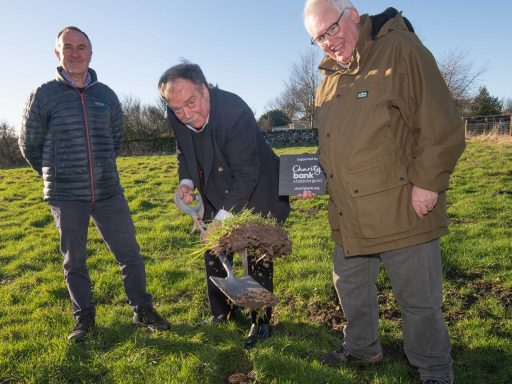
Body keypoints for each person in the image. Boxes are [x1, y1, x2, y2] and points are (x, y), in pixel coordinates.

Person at [302, 1, 466, 383]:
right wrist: (314, 178)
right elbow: (335, 145)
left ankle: (435, 370)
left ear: (353, 15)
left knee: (418, 301)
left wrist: (428, 183)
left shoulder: (400, 50)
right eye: (318, 38)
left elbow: (440, 122)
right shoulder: (328, 79)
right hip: (351, 213)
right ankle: (363, 348)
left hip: (402, 205)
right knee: (350, 285)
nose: (328, 42)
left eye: (331, 29)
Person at [18, 26, 169, 342]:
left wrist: (100, 171)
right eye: (68, 47)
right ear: (58, 53)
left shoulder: (107, 96)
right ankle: (84, 319)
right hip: (65, 194)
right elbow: (28, 143)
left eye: (81, 47)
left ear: (90, 52)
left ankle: (142, 309)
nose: (75, 52)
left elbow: (115, 140)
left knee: (130, 253)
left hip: (108, 191)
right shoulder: (43, 95)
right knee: (75, 261)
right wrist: (54, 174)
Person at [158, 61, 290, 349]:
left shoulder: (234, 112)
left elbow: (246, 175)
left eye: (190, 102)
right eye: (177, 109)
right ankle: (222, 313)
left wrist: (222, 219)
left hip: (256, 189)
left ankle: (261, 320)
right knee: (213, 251)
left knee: (256, 253)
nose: (185, 114)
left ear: (204, 90)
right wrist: (187, 183)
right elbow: (183, 150)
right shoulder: (175, 111)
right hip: (215, 186)